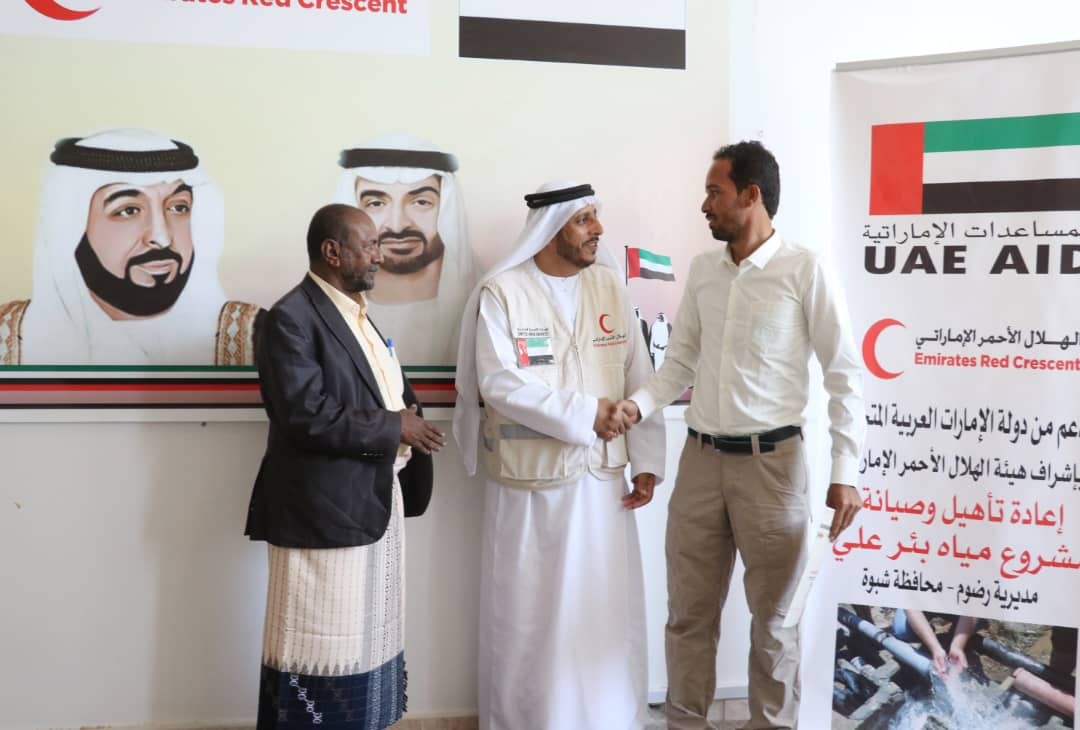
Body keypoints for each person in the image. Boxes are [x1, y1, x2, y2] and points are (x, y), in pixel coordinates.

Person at [616, 141, 865, 730]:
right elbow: (679, 361)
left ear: (751, 195)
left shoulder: (805, 269)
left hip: (773, 469)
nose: (705, 205)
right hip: (700, 463)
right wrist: (636, 406)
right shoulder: (705, 271)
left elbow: (844, 375)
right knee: (688, 617)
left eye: (714, 192)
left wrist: (845, 473)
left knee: (775, 624)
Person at [453, 181, 666, 730]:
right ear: (550, 229)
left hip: (602, 487)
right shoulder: (503, 292)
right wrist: (586, 414)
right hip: (530, 490)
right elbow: (499, 382)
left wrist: (647, 462)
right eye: (584, 219)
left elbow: (639, 375)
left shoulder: (610, 288)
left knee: (601, 613)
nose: (598, 229)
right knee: (531, 617)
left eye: (596, 217)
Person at [245, 204, 445, 729]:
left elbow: (375, 390)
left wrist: (406, 416)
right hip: (322, 516)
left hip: (370, 503)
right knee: (314, 654)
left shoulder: (354, 311)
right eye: (368, 245)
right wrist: (395, 426)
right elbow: (302, 415)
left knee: (365, 648)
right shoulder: (290, 317)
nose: (379, 255)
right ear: (332, 252)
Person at [0, 128, 260, 365]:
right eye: (128, 211)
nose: (161, 238)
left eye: (178, 207)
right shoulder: (9, 338)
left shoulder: (250, 335)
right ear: (70, 229)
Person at [334, 134, 480, 366]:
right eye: (376, 204)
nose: (398, 225)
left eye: (421, 202)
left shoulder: (487, 297)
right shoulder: (325, 308)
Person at [893, 609, 976, 676]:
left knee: (975, 619)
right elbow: (911, 607)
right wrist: (935, 649)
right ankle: (926, 629)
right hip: (928, 601)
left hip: (958, 606)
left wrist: (958, 646)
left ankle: (960, 631)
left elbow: (972, 606)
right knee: (902, 630)